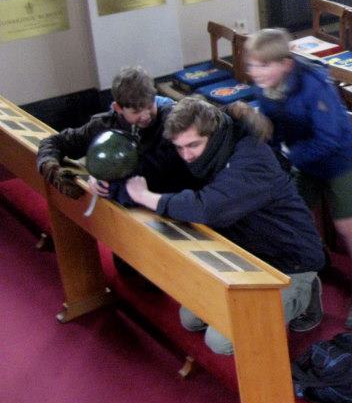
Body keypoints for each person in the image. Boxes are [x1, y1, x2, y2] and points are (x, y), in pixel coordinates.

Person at [125, 96, 327, 355]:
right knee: (190, 320)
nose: (186, 155)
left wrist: (146, 197)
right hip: (246, 254)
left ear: (214, 133)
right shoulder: (211, 149)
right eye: (179, 147)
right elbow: (162, 167)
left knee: (221, 342)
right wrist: (113, 178)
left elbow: (207, 208)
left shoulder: (252, 159)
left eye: (192, 145)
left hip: (290, 263)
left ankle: (305, 294)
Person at [244, 28, 352, 329]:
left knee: (345, 224)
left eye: (264, 65)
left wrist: (289, 156)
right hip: (302, 157)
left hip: (336, 159)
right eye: (252, 65)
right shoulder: (265, 87)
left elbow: (329, 138)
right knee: (294, 216)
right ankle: (313, 262)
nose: (256, 72)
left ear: (286, 64)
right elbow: (272, 127)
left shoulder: (315, 85)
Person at [36, 66, 193, 202]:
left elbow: (156, 170)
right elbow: (56, 142)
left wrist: (105, 180)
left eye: (150, 106)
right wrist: (51, 167)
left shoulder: (173, 122)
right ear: (118, 108)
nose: (146, 116)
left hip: (171, 198)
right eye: (136, 111)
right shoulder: (104, 124)